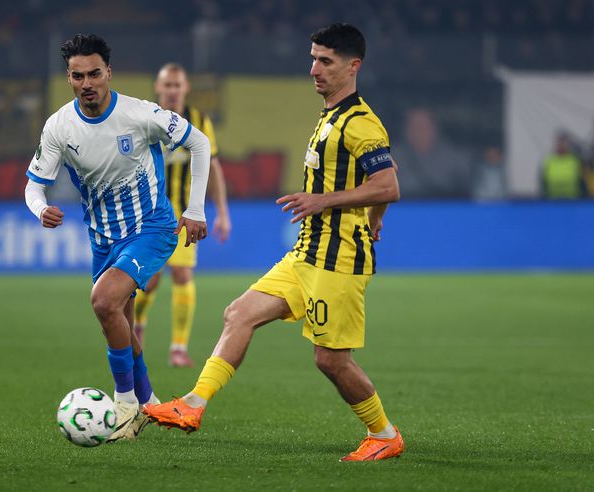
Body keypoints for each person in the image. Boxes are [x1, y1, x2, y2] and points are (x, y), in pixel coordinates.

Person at [145, 23, 404, 462]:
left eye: (326, 61)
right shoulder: (331, 116)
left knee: (331, 360)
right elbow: (384, 175)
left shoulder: (361, 122)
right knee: (239, 313)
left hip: (338, 260)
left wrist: (323, 201)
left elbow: (388, 184)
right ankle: (192, 405)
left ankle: (384, 434)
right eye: (313, 58)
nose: (314, 69)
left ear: (353, 66)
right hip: (305, 254)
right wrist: (374, 218)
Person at [23, 34, 211, 442]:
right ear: (69, 78)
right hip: (103, 239)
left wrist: (195, 209)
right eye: (78, 76)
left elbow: (199, 142)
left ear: (108, 72)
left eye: (94, 74)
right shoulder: (59, 126)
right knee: (119, 322)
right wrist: (40, 209)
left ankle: (124, 404)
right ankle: (148, 401)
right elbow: (34, 186)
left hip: (151, 228)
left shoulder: (140, 114)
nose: (86, 83)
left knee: (103, 301)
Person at [133, 63, 231, 368]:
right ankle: (137, 325)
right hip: (149, 214)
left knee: (182, 274)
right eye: (167, 85)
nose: (172, 91)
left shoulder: (199, 121)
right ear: (158, 88)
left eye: (177, 85)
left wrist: (222, 212)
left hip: (185, 213)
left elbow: (213, 166)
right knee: (149, 281)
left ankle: (178, 347)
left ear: (186, 88)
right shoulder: (145, 120)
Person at [394, 108, 473, 199]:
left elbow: (472, 195)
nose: (418, 131)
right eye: (413, 126)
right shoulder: (392, 158)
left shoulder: (456, 158)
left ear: (435, 128)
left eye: (423, 126)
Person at [541, 132, 583, 199]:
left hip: (572, 200)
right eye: (559, 143)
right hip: (552, 200)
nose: (561, 145)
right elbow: (543, 183)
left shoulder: (575, 161)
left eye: (563, 143)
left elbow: (582, 183)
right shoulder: (549, 161)